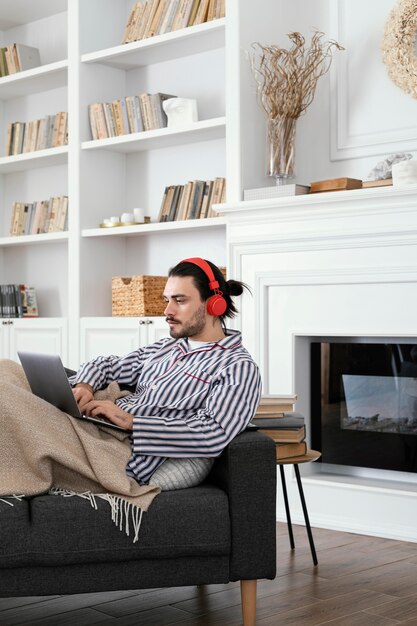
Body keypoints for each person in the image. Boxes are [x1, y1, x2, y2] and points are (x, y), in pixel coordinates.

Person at [69, 257, 262, 485]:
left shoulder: (237, 367)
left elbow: (212, 433)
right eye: (167, 300)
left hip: (117, 452)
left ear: (214, 304)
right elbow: (108, 365)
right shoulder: (165, 347)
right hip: (93, 429)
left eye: (179, 301)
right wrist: (84, 386)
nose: (167, 311)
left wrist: (132, 421)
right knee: (15, 375)